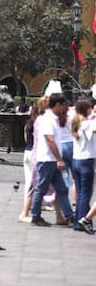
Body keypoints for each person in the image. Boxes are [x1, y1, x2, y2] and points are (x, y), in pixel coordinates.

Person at [29, 93, 74, 226]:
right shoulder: (47, 119)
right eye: (63, 105)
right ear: (58, 105)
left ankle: (69, 216)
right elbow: (50, 140)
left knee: (62, 188)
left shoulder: (54, 118)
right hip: (47, 159)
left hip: (52, 160)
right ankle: (35, 216)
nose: (64, 108)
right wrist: (59, 159)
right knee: (41, 188)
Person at [70, 98, 94, 232]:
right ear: (87, 109)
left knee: (80, 193)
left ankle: (77, 222)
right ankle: (81, 221)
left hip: (76, 160)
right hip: (86, 160)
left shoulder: (76, 121)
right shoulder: (87, 123)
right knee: (86, 193)